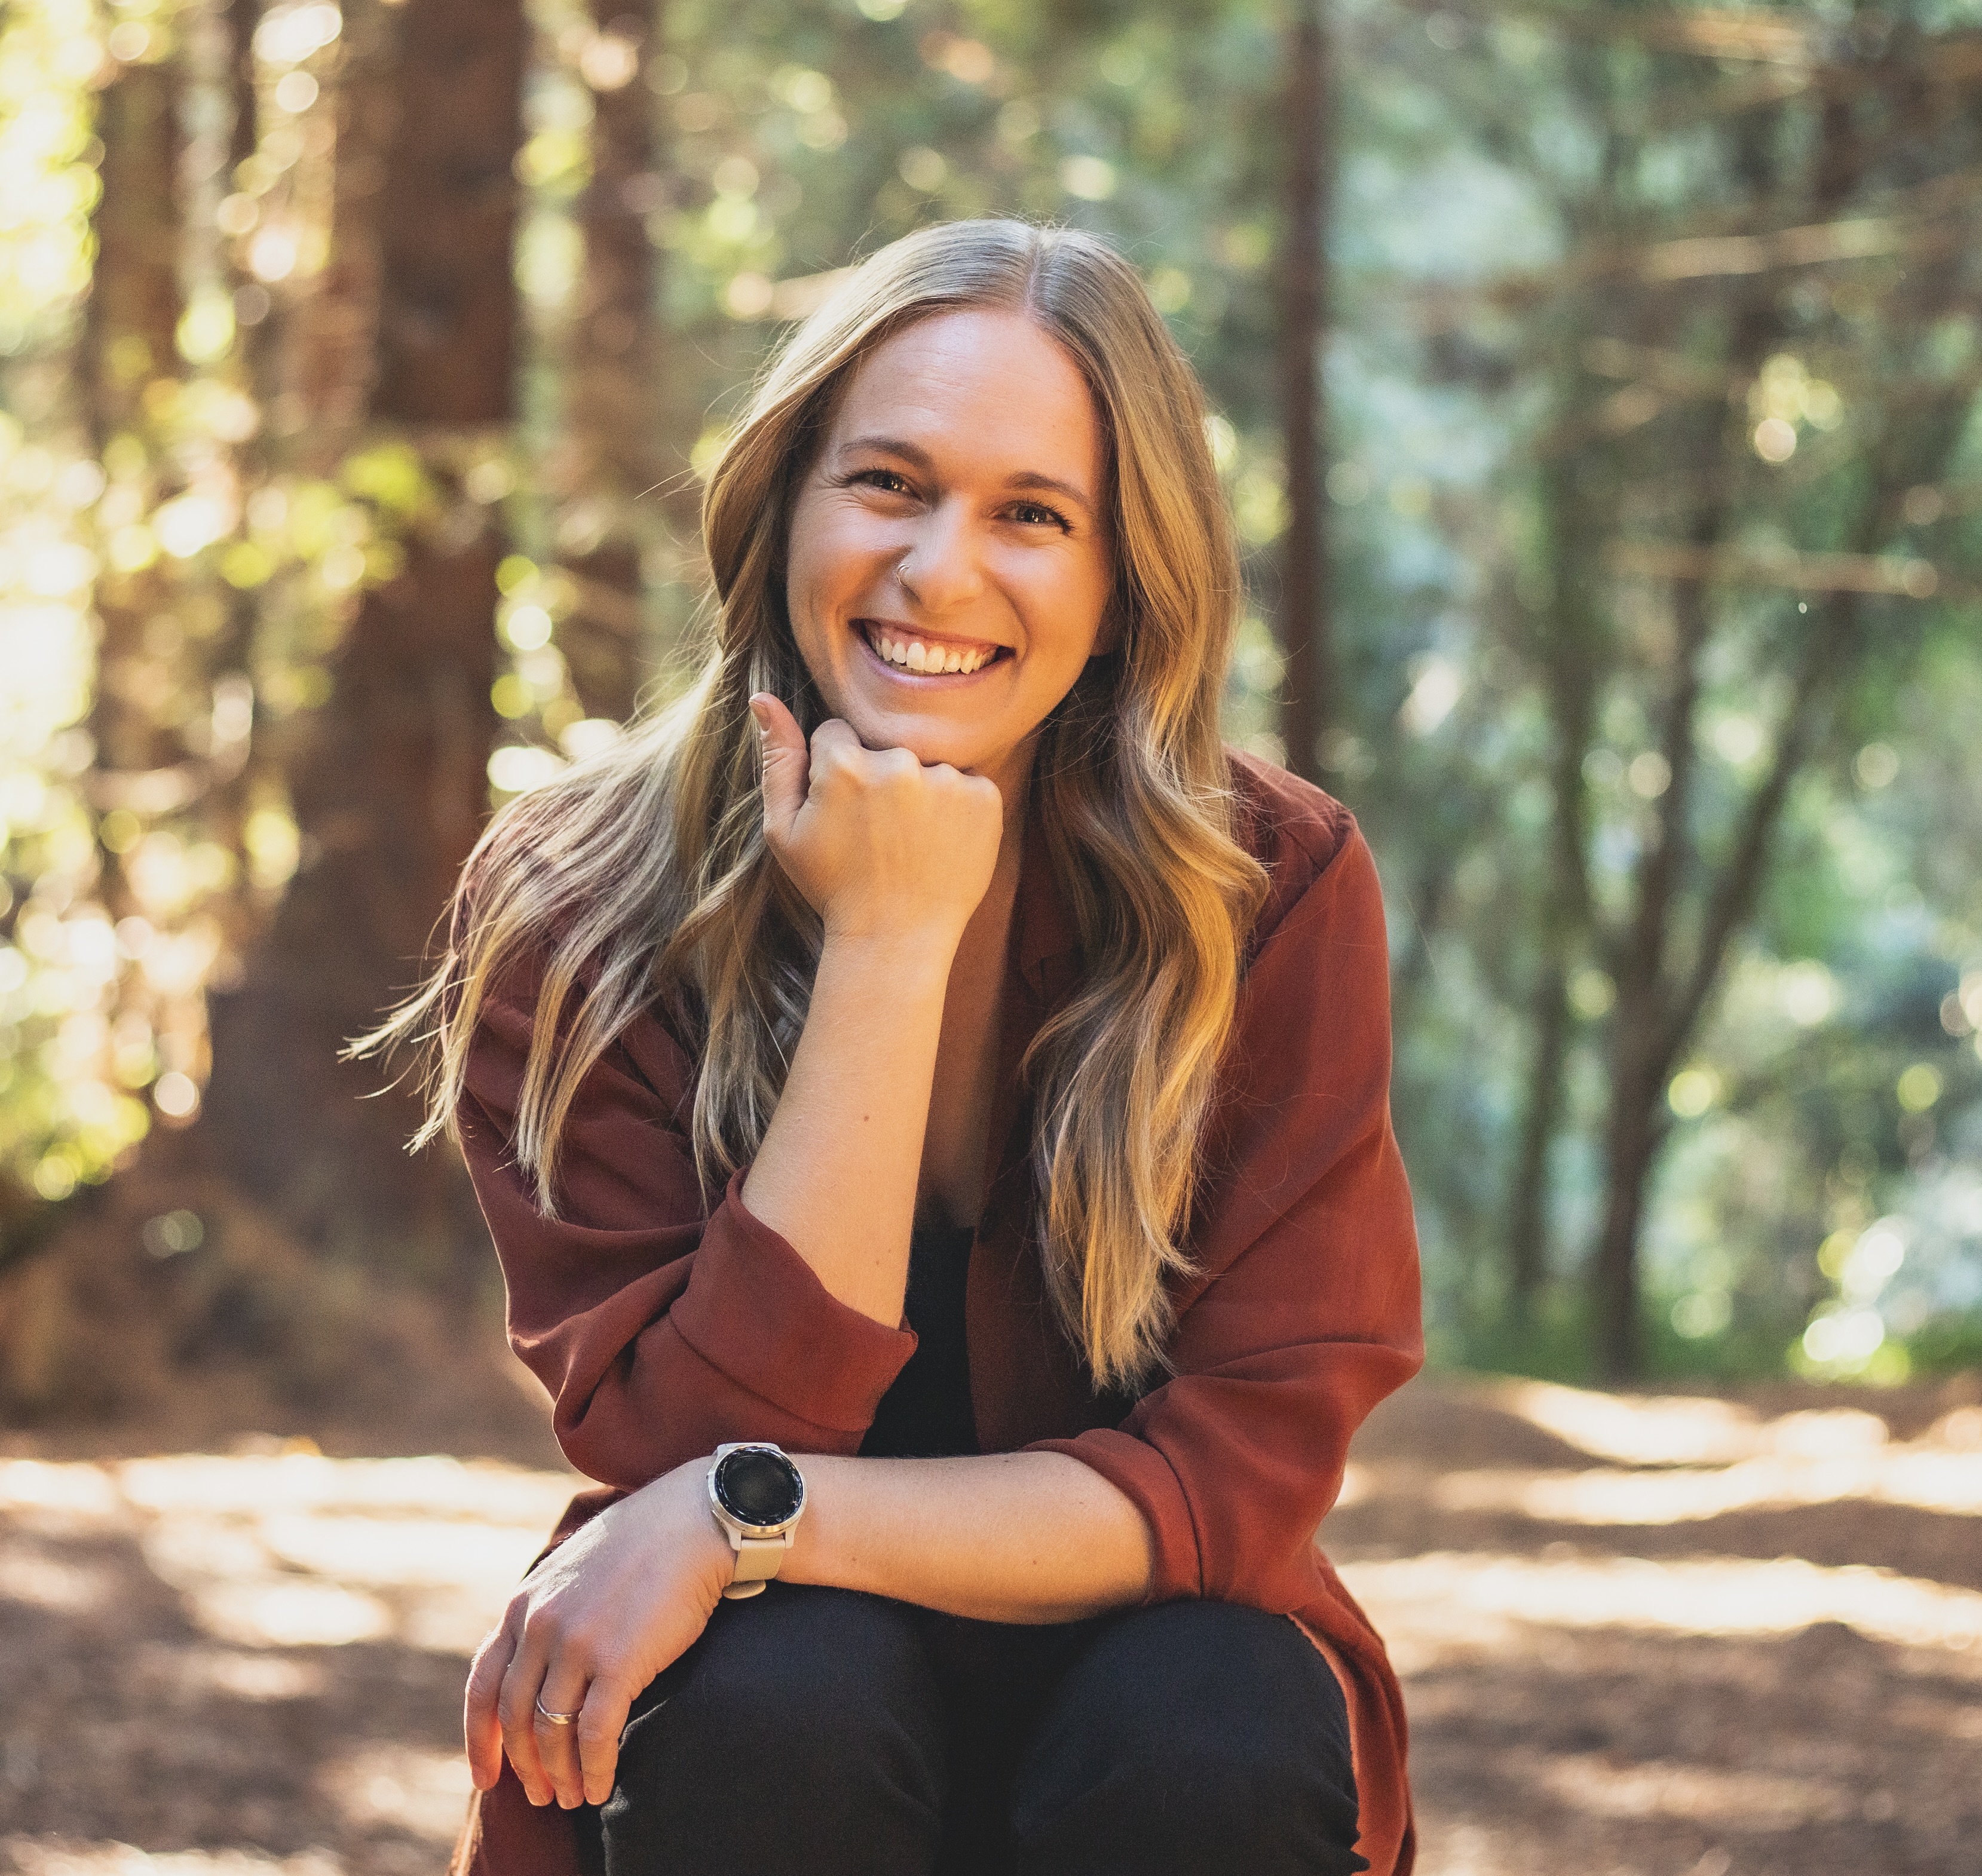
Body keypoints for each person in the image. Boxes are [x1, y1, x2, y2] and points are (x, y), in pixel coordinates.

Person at [372, 217, 1422, 1876]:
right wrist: (887, 943)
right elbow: (673, 1433)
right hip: (761, 1737)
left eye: (1032, 515)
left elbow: (1243, 1480)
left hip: (1145, 1694)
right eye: (887, 483)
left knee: (1217, 1712)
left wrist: (749, 1518)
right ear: (784, 500)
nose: (941, 569)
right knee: (776, 1683)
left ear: (1125, 572)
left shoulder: (1271, 889)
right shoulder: (579, 898)